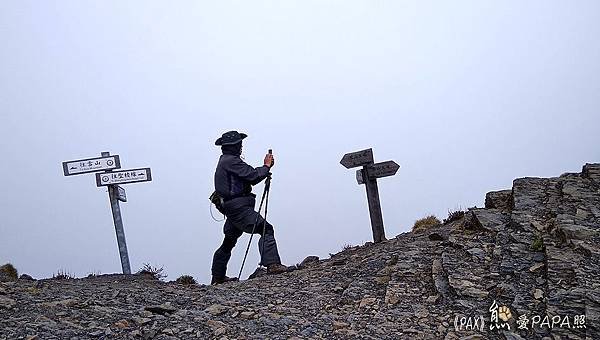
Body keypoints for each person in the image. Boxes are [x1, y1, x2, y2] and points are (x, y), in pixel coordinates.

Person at [210, 130, 288, 285]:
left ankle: (217, 277)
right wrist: (266, 166)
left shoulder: (225, 160)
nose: (241, 147)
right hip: (240, 209)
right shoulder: (231, 161)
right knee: (265, 228)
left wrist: (264, 170)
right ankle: (272, 265)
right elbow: (252, 176)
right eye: (239, 144)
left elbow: (249, 177)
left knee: (228, 241)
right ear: (234, 146)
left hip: (232, 209)